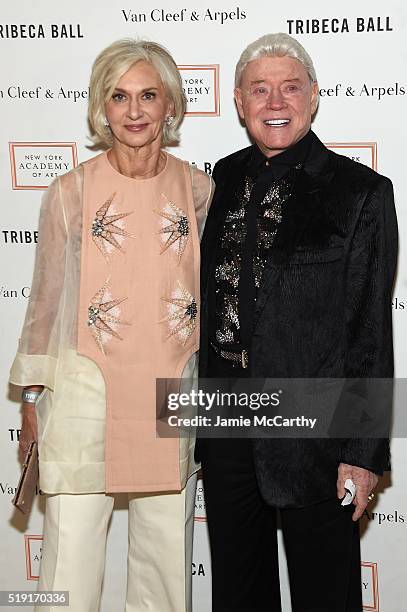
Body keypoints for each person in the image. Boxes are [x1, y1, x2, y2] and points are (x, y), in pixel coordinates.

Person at [10, 38, 213, 612]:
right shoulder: (69, 191)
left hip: (169, 391)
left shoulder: (199, 190)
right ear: (102, 107)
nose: (134, 111)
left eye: (149, 95)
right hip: (81, 392)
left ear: (171, 104)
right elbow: (45, 299)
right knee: (69, 562)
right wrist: (31, 398)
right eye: (119, 97)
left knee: (166, 562)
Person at [197, 33, 397, 611]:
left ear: (313, 97)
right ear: (238, 101)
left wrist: (363, 451)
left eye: (290, 87)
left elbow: (369, 333)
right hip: (227, 422)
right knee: (237, 590)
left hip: (316, 430)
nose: (275, 101)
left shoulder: (361, 192)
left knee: (325, 594)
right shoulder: (224, 177)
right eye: (260, 89)